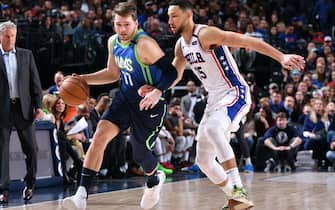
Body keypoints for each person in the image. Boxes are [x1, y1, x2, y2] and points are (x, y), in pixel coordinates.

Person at [140, 1, 305, 209]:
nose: (169, 21)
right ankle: (237, 199)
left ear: (188, 15)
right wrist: (155, 88)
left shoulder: (206, 34)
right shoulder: (181, 45)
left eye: (174, 16)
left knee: (212, 129)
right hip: (214, 99)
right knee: (204, 161)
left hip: (234, 91)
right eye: (168, 16)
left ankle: (238, 189)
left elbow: (246, 40)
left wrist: (281, 56)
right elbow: (175, 74)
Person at [62, 2, 178, 209]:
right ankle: (81, 195)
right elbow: (112, 73)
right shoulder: (113, 41)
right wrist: (82, 79)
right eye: (118, 25)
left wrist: (156, 91)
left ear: (135, 23)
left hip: (150, 103)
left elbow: (171, 72)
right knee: (99, 136)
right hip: (125, 98)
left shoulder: (145, 44)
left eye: (126, 25)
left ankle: (154, 179)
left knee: (140, 153)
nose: (122, 30)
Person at [0, 21, 43, 203]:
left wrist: (39, 106)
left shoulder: (27, 55)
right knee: (2, 151)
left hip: (23, 108)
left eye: (13, 36)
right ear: (0, 37)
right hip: (2, 110)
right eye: (7, 36)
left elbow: (35, 83)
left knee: (32, 149)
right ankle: (3, 189)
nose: (10, 39)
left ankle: (30, 184)